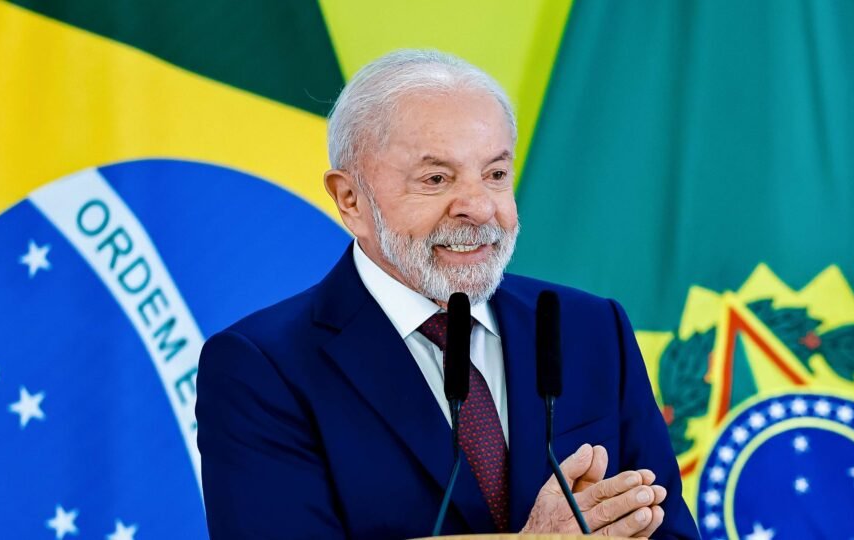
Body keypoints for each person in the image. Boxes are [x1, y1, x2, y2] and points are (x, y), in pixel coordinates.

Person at [196, 49, 700, 539]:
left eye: (495, 174)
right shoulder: (262, 367)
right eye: (436, 179)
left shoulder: (589, 328)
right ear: (350, 199)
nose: (479, 208)